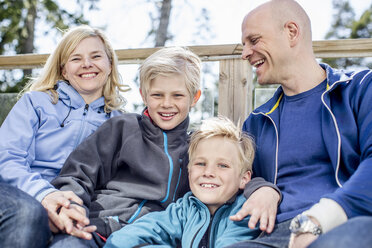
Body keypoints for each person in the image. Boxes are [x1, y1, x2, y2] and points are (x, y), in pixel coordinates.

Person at [227, 0, 372, 248]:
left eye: (254, 40)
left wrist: (322, 217)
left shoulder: (359, 90)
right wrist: (261, 187)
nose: (245, 54)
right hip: (273, 238)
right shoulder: (256, 123)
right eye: (244, 45)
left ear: (292, 32)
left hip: (345, 224)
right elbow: (235, 179)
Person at [48, 46, 202, 247]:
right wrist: (74, 209)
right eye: (157, 95)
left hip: (147, 237)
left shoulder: (196, 149)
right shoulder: (123, 128)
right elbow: (78, 173)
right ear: (144, 96)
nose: (166, 103)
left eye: (177, 96)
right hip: (97, 226)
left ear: (194, 98)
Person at [0, 25, 129, 244]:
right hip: (18, 192)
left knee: (73, 242)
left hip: (75, 208)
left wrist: (69, 210)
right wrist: (45, 196)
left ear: (110, 64)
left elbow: (116, 188)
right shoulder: (36, 103)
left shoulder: (120, 123)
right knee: (29, 213)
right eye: (76, 58)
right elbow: (7, 158)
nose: (87, 64)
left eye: (96, 56)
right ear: (63, 70)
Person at [104, 116, 261, 248]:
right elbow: (125, 238)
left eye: (222, 165)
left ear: (244, 179)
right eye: (201, 163)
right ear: (189, 170)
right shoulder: (185, 209)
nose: (208, 173)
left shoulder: (245, 211)